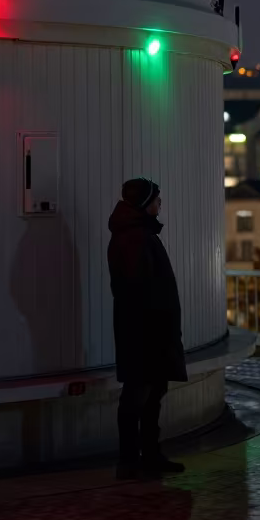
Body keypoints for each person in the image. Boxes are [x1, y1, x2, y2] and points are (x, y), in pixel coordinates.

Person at [107, 177, 187, 479]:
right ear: (144, 203)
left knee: (150, 392)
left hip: (145, 330)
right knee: (139, 395)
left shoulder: (136, 234)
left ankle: (147, 455)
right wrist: (160, 327)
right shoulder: (136, 238)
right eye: (156, 199)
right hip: (145, 332)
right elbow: (141, 289)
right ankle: (131, 461)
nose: (160, 203)